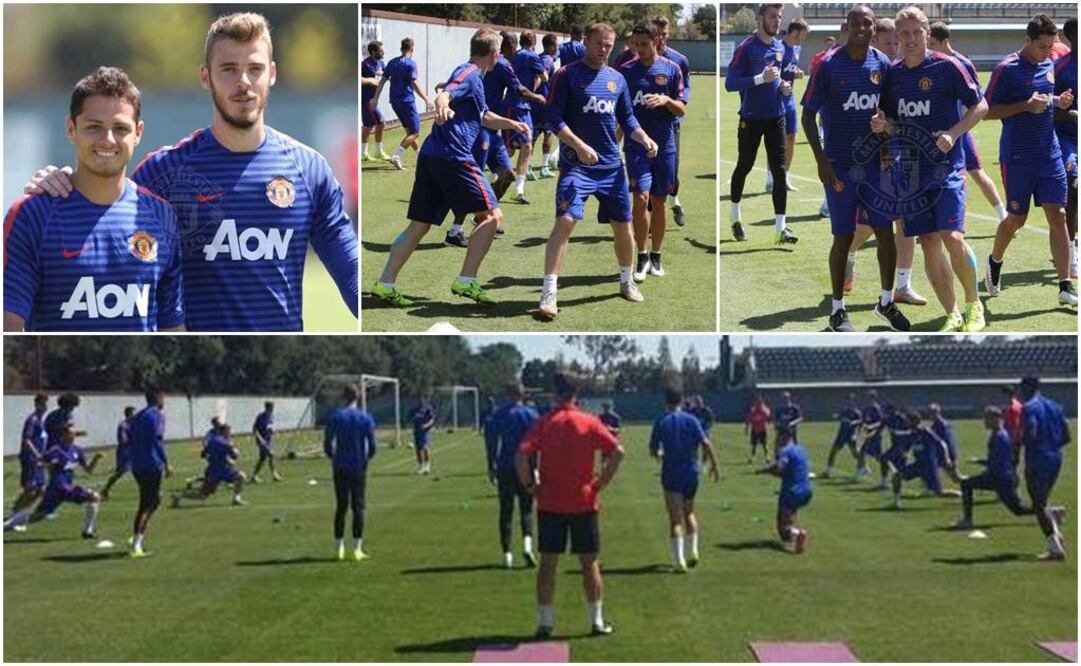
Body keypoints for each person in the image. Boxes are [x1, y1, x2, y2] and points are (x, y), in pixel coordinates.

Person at [25, 13, 360, 331]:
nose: (243, 82)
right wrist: (64, 183)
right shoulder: (163, 173)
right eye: (228, 69)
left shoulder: (308, 169)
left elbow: (350, 270)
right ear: (205, 77)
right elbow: (98, 217)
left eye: (254, 68)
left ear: (271, 73)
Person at [4, 67, 184, 332]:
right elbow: (7, 333)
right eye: (94, 127)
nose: (108, 140)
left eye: (120, 128)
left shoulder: (161, 215)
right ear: (71, 129)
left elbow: (173, 331)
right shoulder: (32, 215)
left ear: (138, 133)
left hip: (137, 375)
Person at [370, 29, 528, 307]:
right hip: (453, 157)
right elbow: (447, 93)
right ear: (494, 54)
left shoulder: (476, 78)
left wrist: (513, 124)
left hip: (432, 155)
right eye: (499, 53)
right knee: (493, 216)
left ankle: (385, 284)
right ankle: (466, 281)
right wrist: (442, 105)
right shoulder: (468, 73)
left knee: (419, 225)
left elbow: (485, 117)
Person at [871, 5, 989, 332]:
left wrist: (954, 133)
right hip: (910, 172)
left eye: (915, 32)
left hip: (947, 168)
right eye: (903, 34)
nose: (909, 39)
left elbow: (981, 105)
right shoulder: (893, 76)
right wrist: (884, 125)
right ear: (897, 37)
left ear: (926, 34)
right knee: (929, 242)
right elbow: (894, 122)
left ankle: (973, 304)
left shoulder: (948, 68)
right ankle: (952, 313)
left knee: (952, 236)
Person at [537, 22, 659, 319]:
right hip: (577, 168)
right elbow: (553, 118)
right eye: (599, 44)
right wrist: (578, 146)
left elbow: (628, 120)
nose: (604, 50)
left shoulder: (616, 79)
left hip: (612, 169)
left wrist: (644, 138)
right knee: (565, 222)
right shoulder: (567, 75)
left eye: (609, 45)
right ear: (586, 42)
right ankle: (549, 294)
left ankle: (626, 281)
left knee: (623, 226)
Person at [802, 5, 911, 333]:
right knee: (843, 236)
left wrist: (886, 127)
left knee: (885, 234)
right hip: (839, 166)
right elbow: (807, 115)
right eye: (856, 23)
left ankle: (886, 302)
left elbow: (893, 116)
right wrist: (822, 161)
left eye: (868, 23)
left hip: (876, 166)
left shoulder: (882, 64)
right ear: (847, 26)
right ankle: (837, 311)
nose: (862, 28)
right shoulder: (829, 64)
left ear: (874, 28)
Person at [517, 371, 624, 638]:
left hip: (550, 503)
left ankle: (545, 623)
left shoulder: (544, 423)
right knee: (589, 564)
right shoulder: (590, 422)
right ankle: (596, 621)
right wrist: (600, 483)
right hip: (583, 503)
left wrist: (530, 485)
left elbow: (521, 455)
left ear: (555, 392)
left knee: (548, 564)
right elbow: (618, 452)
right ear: (577, 394)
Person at [985, 14, 1077, 307]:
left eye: (1051, 46)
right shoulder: (1006, 69)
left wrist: (1057, 101)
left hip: (1049, 154)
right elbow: (986, 111)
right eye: (1041, 46)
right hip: (1017, 157)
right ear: (1027, 40)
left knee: (1058, 215)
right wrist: (1025, 106)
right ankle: (995, 261)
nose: (1047, 52)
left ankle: (1064, 285)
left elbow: (1043, 98)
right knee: (1016, 219)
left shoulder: (1049, 63)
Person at [725, 3, 799, 244]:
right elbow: (730, 82)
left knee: (779, 172)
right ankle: (734, 216)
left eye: (779, 17)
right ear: (760, 19)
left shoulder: (780, 47)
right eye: (772, 17)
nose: (777, 21)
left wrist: (784, 88)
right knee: (744, 166)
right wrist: (760, 78)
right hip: (751, 119)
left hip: (776, 117)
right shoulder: (747, 47)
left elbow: (777, 79)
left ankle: (780, 228)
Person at [619, 20, 685, 282]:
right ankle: (642, 256)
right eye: (636, 44)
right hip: (636, 145)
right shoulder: (625, 71)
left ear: (657, 40)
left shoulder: (671, 70)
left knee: (659, 201)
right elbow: (620, 111)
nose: (639, 49)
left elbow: (682, 109)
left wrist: (667, 100)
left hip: (665, 145)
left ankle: (657, 254)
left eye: (644, 44)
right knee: (640, 198)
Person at [928, 22, 1010, 223]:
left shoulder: (962, 63)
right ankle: (941, 222)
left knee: (976, 173)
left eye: (931, 43)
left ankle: (1003, 215)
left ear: (943, 41)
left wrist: (962, 123)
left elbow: (977, 99)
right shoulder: (931, 62)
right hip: (941, 131)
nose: (928, 47)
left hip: (960, 131)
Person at [649, 388, 720, 571]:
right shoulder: (692, 420)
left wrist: (660, 455)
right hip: (691, 473)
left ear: (666, 401)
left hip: (672, 473)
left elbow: (653, 450)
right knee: (689, 513)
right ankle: (694, 552)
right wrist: (715, 466)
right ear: (681, 401)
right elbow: (706, 443)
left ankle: (679, 561)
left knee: (675, 519)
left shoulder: (661, 421)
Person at [3, 423, 103, 537]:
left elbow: (88, 470)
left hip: (58, 489)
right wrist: (49, 465)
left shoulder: (77, 451)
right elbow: (40, 462)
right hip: (60, 487)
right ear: (64, 435)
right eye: (71, 433)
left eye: (74, 433)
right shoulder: (56, 450)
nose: (73, 436)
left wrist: (96, 458)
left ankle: (4, 527)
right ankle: (87, 531)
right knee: (94, 497)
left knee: (38, 516)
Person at [954, 406, 1034, 529]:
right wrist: (980, 462)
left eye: (987, 418)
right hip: (1000, 477)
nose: (984, 421)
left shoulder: (1000, 437)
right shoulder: (998, 434)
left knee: (966, 484)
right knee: (1018, 510)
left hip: (1000, 478)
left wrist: (985, 473)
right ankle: (1050, 511)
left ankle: (967, 520)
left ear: (996, 419)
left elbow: (999, 462)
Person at [1018, 376, 1071, 560]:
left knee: (1038, 505)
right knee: (1042, 499)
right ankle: (1054, 524)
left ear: (1026, 388)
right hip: (1055, 457)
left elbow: (1031, 430)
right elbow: (1067, 435)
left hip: (1038, 458)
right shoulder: (1055, 406)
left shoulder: (1029, 407)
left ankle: (1055, 549)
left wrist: (1022, 443)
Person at [323, 384, 377, 562]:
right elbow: (373, 446)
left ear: (343, 397)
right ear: (358, 397)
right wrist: (365, 461)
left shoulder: (335, 417)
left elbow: (327, 444)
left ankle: (338, 547)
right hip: (358, 467)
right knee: (358, 507)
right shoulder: (365, 418)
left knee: (341, 507)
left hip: (340, 467)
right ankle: (357, 548)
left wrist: (334, 458)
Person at [491, 383, 540, 568]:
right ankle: (528, 546)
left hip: (505, 466)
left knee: (506, 511)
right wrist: (535, 468)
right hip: (525, 466)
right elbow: (535, 445)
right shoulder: (531, 414)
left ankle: (507, 555)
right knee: (527, 509)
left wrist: (491, 465)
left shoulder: (499, 413)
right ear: (523, 395)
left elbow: (493, 442)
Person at [371, 37, 434, 170]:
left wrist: (375, 98)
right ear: (412, 49)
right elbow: (414, 82)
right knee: (415, 132)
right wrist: (426, 99)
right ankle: (397, 156)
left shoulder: (392, 62)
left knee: (409, 131)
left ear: (401, 48)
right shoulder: (411, 64)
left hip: (394, 102)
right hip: (407, 102)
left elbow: (382, 81)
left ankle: (421, 155)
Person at [653, 16, 693, 226]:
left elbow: (685, 91)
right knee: (646, 174)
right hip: (643, 126)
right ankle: (650, 218)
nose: (660, 39)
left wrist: (677, 103)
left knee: (670, 172)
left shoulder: (679, 61)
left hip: (670, 124)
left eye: (664, 34)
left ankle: (674, 201)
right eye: (656, 34)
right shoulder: (635, 60)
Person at [886, 409, 963, 509]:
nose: (906, 422)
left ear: (914, 421)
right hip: (918, 465)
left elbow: (941, 444)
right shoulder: (912, 434)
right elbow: (904, 436)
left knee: (939, 493)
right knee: (897, 476)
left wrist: (946, 458)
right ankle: (896, 503)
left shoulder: (925, 431)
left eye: (908, 420)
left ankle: (962, 494)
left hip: (929, 466)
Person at [766, 18, 808, 195]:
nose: (805, 38)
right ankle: (770, 179)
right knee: (776, 140)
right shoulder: (778, 48)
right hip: (776, 99)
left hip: (790, 99)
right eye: (804, 34)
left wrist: (796, 74)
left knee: (791, 137)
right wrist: (781, 81)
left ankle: (785, 177)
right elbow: (771, 72)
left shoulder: (797, 48)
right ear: (795, 32)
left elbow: (791, 69)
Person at [506, 31, 549, 203]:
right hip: (518, 105)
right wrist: (537, 84)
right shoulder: (532, 56)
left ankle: (519, 189)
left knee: (526, 146)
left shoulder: (514, 55)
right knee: (510, 149)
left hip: (520, 106)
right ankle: (494, 180)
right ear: (533, 41)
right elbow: (545, 76)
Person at [128, 388, 171, 557]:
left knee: (155, 499)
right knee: (146, 503)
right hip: (151, 464)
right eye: (163, 398)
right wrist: (166, 462)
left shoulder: (137, 416)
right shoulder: (156, 415)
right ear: (159, 398)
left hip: (137, 464)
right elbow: (157, 440)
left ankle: (138, 536)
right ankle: (136, 543)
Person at [756, 423, 811, 553]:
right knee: (789, 517)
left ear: (784, 436)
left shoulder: (786, 451)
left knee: (782, 527)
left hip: (791, 492)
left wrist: (765, 471)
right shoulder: (801, 449)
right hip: (806, 490)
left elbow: (779, 467)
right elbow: (792, 471)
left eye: (778, 435)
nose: (776, 438)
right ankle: (794, 539)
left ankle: (798, 535)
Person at [1053, 18, 1078, 279]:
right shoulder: (1059, 69)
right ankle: (1071, 255)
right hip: (1068, 138)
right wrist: (1071, 114)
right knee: (1073, 185)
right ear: (1072, 35)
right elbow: (1049, 110)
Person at [171, 423, 246, 508]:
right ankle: (178, 496)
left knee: (202, 495)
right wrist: (236, 450)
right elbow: (235, 456)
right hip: (222, 470)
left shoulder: (212, 441)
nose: (230, 434)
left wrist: (217, 458)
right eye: (229, 432)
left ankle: (179, 496)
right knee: (240, 477)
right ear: (225, 432)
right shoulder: (226, 443)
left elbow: (203, 454)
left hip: (214, 470)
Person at [9, 393, 50, 521]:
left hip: (39, 460)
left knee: (41, 490)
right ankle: (14, 514)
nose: (45, 406)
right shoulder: (32, 420)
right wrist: (36, 454)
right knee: (30, 489)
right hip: (30, 459)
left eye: (46, 403)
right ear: (37, 404)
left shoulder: (40, 420)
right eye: (42, 403)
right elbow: (26, 439)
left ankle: (23, 513)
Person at [530, 34, 560, 179]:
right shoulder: (547, 60)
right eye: (557, 45)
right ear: (552, 46)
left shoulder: (538, 57)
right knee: (548, 133)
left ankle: (529, 167)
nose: (558, 48)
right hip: (544, 104)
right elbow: (541, 76)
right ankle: (544, 167)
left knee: (534, 136)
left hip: (536, 104)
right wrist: (535, 90)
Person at [361, 40, 390, 162]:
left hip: (373, 99)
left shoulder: (381, 63)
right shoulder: (365, 64)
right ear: (373, 52)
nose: (383, 52)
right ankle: (378, 151)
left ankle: (363, 154)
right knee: (381, 122)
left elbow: (386, 76)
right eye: (380, 50)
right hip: (366, 100)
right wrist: (369, 80)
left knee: (368, 126)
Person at [822, 394, 862, 478]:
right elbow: (840, 416)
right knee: (833, 452)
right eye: (847, 400)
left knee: (855, 454)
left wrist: (855, 428)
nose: (849, 402)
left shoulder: (856, 412)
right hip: (841, 435)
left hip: (850, 436)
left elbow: (861, 421)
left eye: (850, 400)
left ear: (853, 401)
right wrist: (836, 416)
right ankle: (828, 471)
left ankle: (861, 468)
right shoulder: (844, 410)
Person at [100, 406, 136, 500]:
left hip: (133, 451)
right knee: (120, 472)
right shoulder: (123, 425)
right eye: (133, 413)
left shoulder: (134, 425)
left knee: (141, 470)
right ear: (129, 414)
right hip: (125, 452)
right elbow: (123, 440)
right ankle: (105, 490)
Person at [250, 401, 281, 482]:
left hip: (268, 440)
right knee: (271, 455)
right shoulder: (261, 417)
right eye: (271, 407)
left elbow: (269, 427)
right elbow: (255, 429)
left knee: (263, 459)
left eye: (273, 407)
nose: (272, 409)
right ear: (267, 407)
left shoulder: (271, 416)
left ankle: (254, 475)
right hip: (262, 441)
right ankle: (274, 475)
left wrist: (273, 432)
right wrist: (261, 440)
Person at [410, 396, 436, 475]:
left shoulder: (427, 408)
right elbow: (411, 418)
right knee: (418, 449)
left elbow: (432, 419)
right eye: (417, 399)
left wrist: (426, 425)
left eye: (421, 399)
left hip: (425, 431)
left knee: (425, 447)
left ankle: (427, 465)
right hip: (416, 431)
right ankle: (421, 466)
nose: (419, 401)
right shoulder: (414, 409)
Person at [745, 394, 771, 463]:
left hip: (762, 429)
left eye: (760, 402)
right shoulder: (753, 410)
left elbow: (768, 415)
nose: (758, 404)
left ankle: (767, 457)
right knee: (754, 445)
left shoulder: (764, 410)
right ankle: (753, 457)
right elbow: (748, 419)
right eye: (757, 402)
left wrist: (763, 408)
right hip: (755, 429)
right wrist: (747, 428)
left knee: (765, 445)